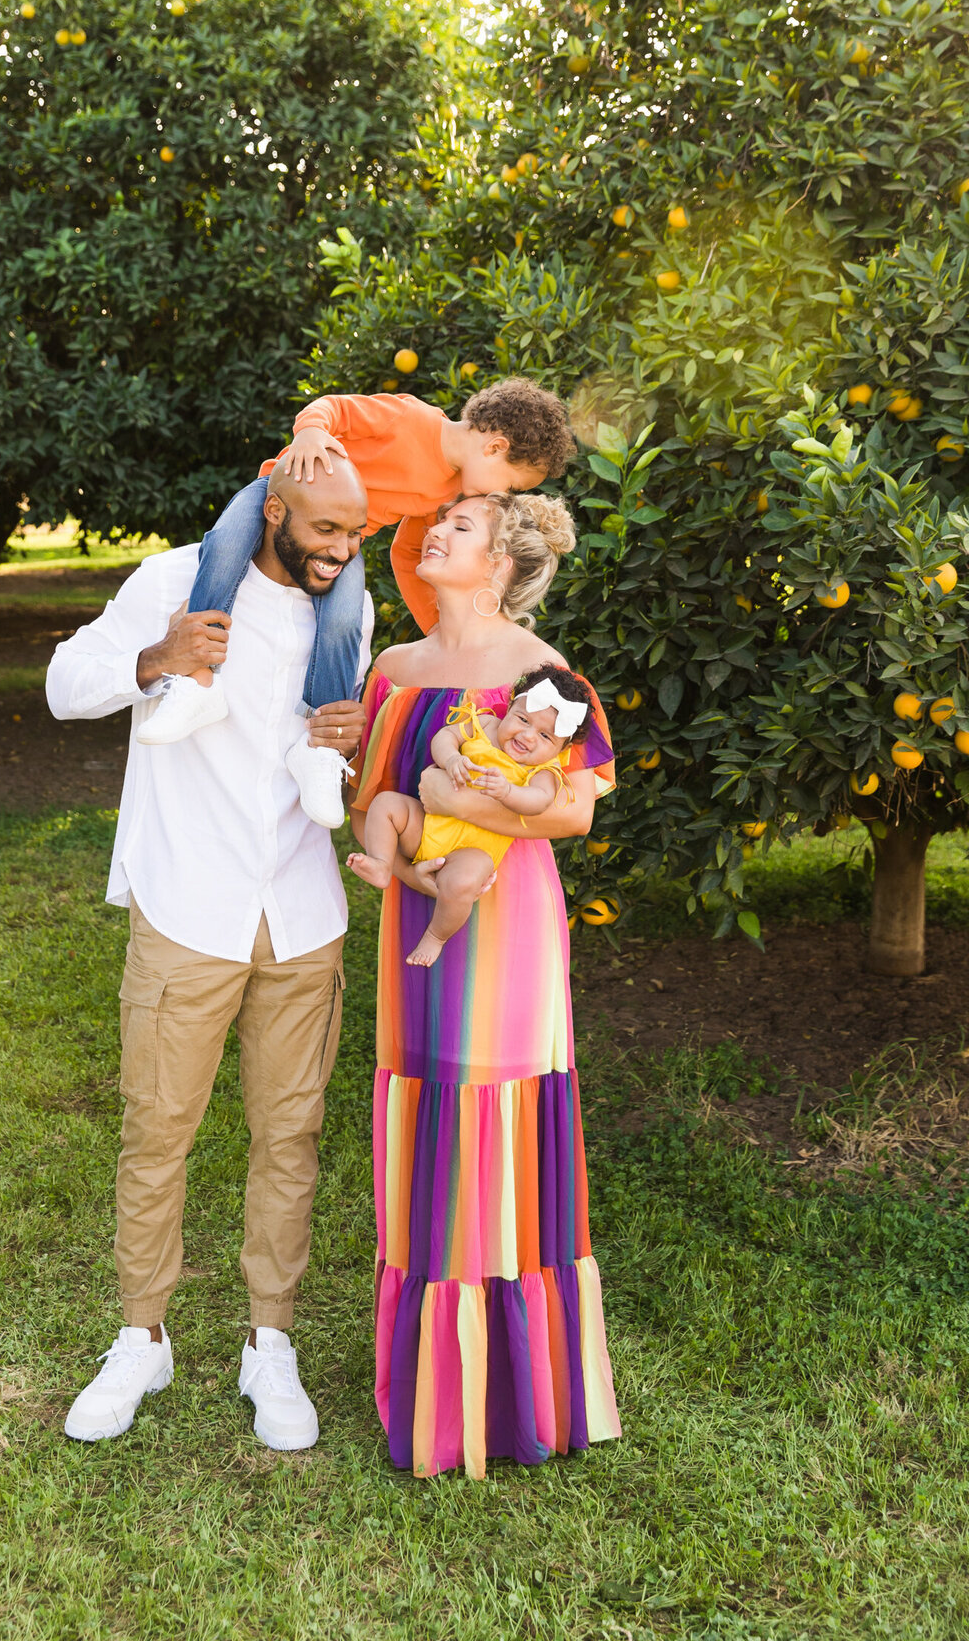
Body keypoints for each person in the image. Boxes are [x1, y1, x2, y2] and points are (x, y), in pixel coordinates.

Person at [45, 456, 373, 1451]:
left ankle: (267, 1344)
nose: (341, 551)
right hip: (188, 906)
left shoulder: (349, 617)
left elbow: (334, 770)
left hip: (302, 914)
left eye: (356, 535)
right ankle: (141, 1334)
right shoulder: (175, 580)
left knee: (290, 1141)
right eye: (324, 529)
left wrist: (347, 744)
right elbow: (65, 685)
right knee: (158, 1131)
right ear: (274, 512)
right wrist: (155, 659)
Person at [348, 489, 622, 1479]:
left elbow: (577, 816)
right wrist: (407, 843)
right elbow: (368, 799)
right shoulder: (394, 671)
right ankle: (432, 1383)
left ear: (502, 562)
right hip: (415, 909)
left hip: (509, 923)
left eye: (459, 527)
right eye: (437, 524)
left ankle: (513, 1391)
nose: (434, 534)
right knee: (426, 1119)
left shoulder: (543, 675)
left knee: (496, 1115)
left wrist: (469, 806)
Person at [137, 380, 576, 831]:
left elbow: (408, 555)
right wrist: (309, 433)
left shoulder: (442, 494)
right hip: (280, 491)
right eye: (510, 482)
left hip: (343, 542)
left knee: (344, 620)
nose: (501, 495)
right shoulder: (412, 419)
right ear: (495, 447)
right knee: (225, 548)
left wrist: (438, 633)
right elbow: (334, 409)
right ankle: (197, 683)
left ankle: (319, 751)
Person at [347, 666, 595, 967]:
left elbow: (539, 802)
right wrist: (451, 758)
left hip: (472, 850)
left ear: (561, 748)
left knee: (464, 882)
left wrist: (507, 793)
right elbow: (445, 736)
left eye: (545, 736)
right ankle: (381, 863)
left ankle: (436, 936)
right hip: (427, 825)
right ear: (512, 705)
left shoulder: (543, 771)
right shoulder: (486, 725)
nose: (528, 736)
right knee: (385, 804)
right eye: (522, 719)